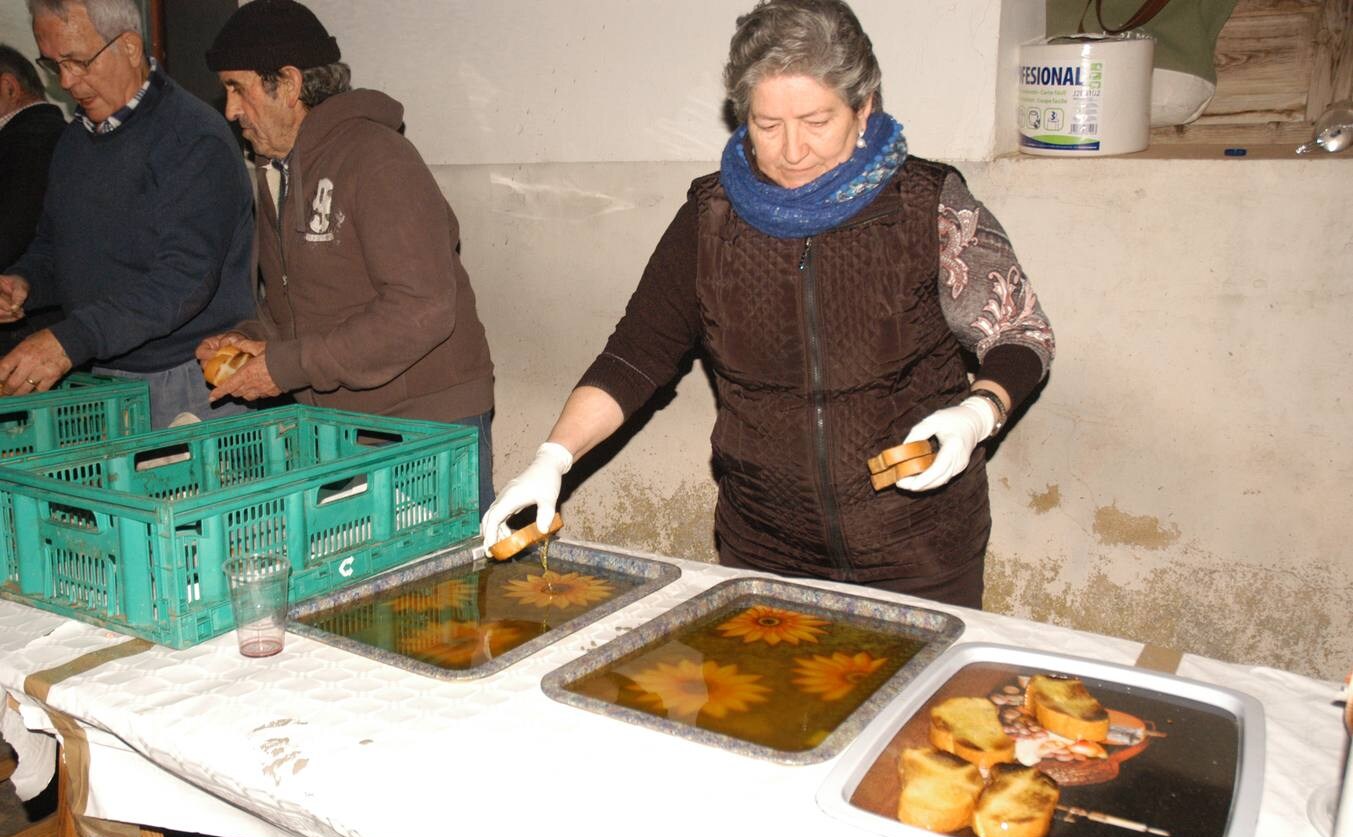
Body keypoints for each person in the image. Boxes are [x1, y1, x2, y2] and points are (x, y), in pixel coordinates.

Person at [481, 0, 1055, 610]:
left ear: (864, 108)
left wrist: (977, 413)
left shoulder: (926, 205)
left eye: (816, 121)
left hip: (917, 552)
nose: (792, 151)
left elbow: (1021, 333)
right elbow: (636, 356)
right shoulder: (711, 219)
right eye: (767, 124)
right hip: (764, 549)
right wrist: (553, 457)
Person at [197, 0, 496, 513]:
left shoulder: (377, 158)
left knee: (444, 584)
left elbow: (421, 308)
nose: (230, 110)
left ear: (287, 84)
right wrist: (255, 339)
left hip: (424, 428)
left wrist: (287, 365)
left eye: (236, 87)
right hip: (345, 422)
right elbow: (305, 304)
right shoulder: (278, 171)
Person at [0, 0, 253, 427]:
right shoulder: (75, 141)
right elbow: (53, 245)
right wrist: (23, 282)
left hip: (189, 381)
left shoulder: (192, 138)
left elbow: (182, 281)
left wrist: (70, 339)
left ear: (131, 47)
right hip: (104, 376)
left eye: (78, 62)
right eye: (52, 64)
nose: (66, 82)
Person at [0, 44, 65, 354]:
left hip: (25, 332)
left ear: (8, 87)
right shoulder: (57, 135)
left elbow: (12, 235)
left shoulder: (29, 142)